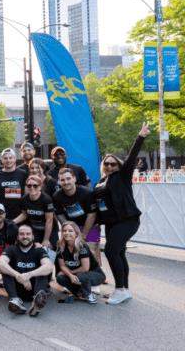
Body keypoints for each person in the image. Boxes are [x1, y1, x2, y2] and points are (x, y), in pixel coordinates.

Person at [94, 122, 149, 305]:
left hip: (127, 220)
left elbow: (132, 158)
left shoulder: (122, 176)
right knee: (120, 253)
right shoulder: (100, 182)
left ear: (118, 165)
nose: (109, 166)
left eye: (113, 163)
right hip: (110, 223)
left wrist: (140, 137)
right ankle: (124, 289)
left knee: (110, 251)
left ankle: (118, 290)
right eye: (106, 163)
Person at [52, 167, 100, 291]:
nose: (66, 182)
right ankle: (71, 281)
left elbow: (92, 215)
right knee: (70, 252)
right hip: (72, 227)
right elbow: (60, 215)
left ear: (74, 179)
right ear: (59, 181)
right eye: (63, 180)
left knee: (91, 251)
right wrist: (69, 228)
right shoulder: (57, 196)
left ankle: (94, 283)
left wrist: (82, 235)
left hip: (90, 225)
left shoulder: (86, 193)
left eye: (68, 179)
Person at [0, 225, 52, 316]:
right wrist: (19, 276)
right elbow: (0, 263)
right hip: (16, 289)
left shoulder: (39, 250)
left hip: (36, 289)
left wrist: (29, 275)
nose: (25, 236)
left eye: (28, 234)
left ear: (33, 237)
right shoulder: (11, 249)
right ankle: (15, 301)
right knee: (5, 270)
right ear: (18, 237)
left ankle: (36, 303)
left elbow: (49, 266)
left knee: (43, 271)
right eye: (21, 234)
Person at [55, 221, 105, 304]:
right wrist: (70, 275)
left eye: (70, 231)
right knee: (60, 278)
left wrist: (70, 273)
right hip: (77, 274)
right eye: (64, 230)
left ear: (76, 233)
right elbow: (62, 266)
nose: (67, 233)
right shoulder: (60, 246)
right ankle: (78, 293)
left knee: (80, 275)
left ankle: (89, 294)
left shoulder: (82, 246)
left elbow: (85, 268)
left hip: (95, 274)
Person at [13, 176, 56, 250]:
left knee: (48, 249)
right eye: (29, 186)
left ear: (40, 187)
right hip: (35, 229)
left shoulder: (46, 199)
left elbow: (49, 221)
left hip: (49, 229)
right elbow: (24, 214)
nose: (32, 188)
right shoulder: (24, 199)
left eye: (35, 186)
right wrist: (12, 222)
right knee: (32, 249)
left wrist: (46, 240)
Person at [0, 148, 29, 220]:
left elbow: (26, 195)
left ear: (15, 159)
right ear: (2, 160)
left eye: (10, 158)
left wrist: (24, 211)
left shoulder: (23, 174)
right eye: (5, 158)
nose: (8, 160)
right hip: (2, 214)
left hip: (19, 214)